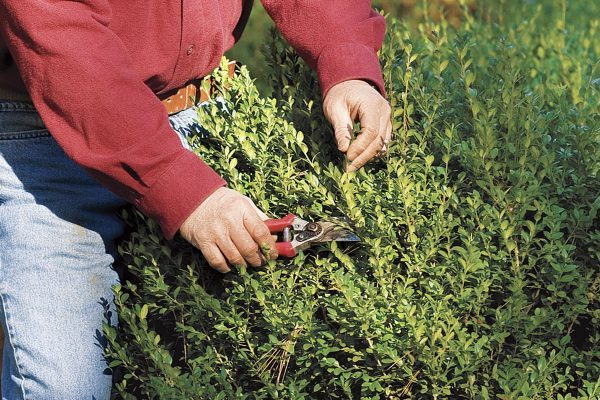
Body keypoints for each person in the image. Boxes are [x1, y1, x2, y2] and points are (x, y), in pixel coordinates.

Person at [0, 0, 392, 398]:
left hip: (202, 111)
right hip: (45, 138)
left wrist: (348, 65)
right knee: (63, 386)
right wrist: (179, 186)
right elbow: (62, 36)